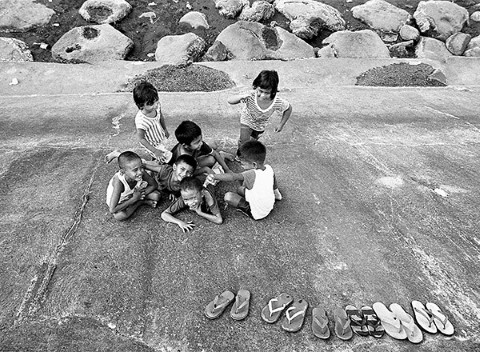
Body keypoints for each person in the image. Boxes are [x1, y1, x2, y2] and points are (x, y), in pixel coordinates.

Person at [205, 140, 282, 220]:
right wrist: (277, 194)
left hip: (258, 213)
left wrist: (214, 176)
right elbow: (274, 183)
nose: (241, 166)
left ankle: (245, 208)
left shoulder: (250, 174)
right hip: (269, 205)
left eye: (243, 164)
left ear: (254, 164)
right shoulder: (269, 168)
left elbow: (232, 177)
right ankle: (273, 196)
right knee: (240, 189)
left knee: (228, 197)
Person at [227, 70, 293, 158]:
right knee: (244, 141)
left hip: (260, 125)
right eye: (260, 91)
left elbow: (288, 109)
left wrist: (281, 124)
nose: (262, 95)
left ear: (273, 91)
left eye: (266, 93)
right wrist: (241, 97)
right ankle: (240, 156)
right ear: (256, 87)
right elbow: (230, 100)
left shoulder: (277, 102)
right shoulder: (250, 96)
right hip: (247, 120)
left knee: (253, 140)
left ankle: (246, 149)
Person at [106, 151, 161, 221]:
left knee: (156, 196)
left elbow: (154, 185)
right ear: (123, 172)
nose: (140, 172)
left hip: (134, 193)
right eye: (135, 170)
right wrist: (134, 199)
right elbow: (112, 209)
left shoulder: (141, 172)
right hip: (121, 201)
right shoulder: (119, 182)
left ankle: (139, 199)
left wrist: (139, 195)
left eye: (141, 167)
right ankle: (140, 202)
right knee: (120, 216)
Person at [133, 81, 172, 163]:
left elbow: (160, 117)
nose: (155, 105)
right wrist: (155, 151)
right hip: (151, 143)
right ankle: (152, 164)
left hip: (159, 136)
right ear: (141, 105)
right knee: (164, 159)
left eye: (156, 100)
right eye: (150, 104)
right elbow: (141, 139)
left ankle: (155, 161)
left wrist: (165, 129)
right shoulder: (141, 121)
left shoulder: (157, 106)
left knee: (161, 157)